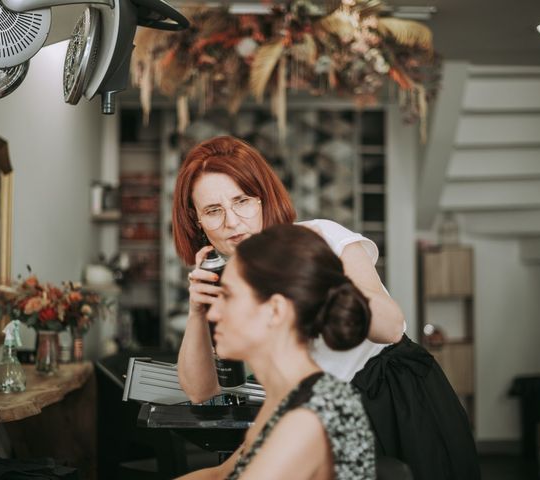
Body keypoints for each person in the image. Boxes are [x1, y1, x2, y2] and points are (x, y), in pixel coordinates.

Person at [172, 135, 480, 480]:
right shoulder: (227, 275)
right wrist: (197, 311)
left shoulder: (318, 240)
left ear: (262, 198)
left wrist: (307, 281)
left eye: (242, 201)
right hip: (312, 405)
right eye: (213, 210)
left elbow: (390, 327)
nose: (231, 221)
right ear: (196, 220)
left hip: (395, 397)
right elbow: (201, 392)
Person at [177, 224, 376, 479]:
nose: (213, 314)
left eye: (228, 297)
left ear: (275, 311)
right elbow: (221, 475)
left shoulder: (308, 418)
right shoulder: (285, 398)